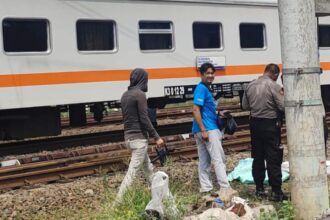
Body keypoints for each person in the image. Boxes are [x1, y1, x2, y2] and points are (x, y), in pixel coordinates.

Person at [115, 68, 164, 204]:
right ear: (143, 80)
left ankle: (162, 197)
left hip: (129, 139)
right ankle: (116, 204)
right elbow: (144, 117)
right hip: (139, 140)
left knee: (149, 170)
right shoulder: (140, 94)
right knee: (131, 174)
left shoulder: (125, 94)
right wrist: (156, 137)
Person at [242, 63, 287, 202]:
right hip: (270, 124)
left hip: (255, 124)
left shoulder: (250, 85)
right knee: (273, 157)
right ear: (274, 74)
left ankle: (259, 189)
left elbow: (245, 106)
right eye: (277, 77)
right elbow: (283, 105)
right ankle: (276, 191)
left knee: (258, 157)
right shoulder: (273, 86)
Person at [192, 62, 233, 193]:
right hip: (208, 129)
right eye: (207, 73)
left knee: (204, 161)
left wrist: (218, 113)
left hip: (201, 129)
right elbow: (195, 109)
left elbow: (204, 110)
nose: (210, 76)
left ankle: (206, 188)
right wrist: (204, 129)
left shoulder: (205, 88)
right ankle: (225, 187)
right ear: (201, 74)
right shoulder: (201, 89)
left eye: (212, 73)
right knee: (218, 159)